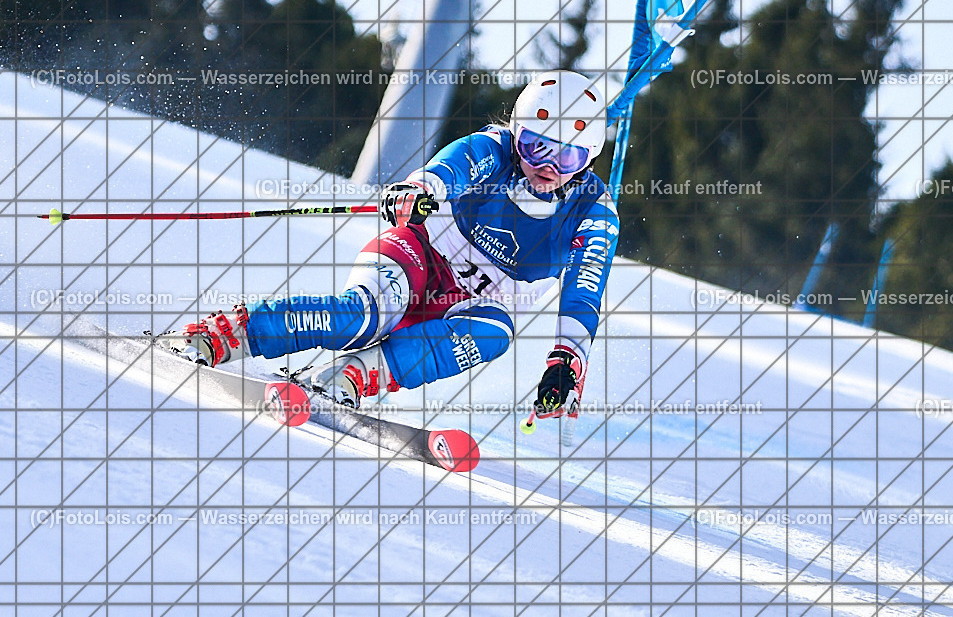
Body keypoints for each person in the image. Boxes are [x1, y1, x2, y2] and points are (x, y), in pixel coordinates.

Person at [158, 70, 619, 425]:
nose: (548, 167)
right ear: (518, 134)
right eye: (537, 146)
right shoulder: (495, 149)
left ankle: (357, 377)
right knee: (363, 316)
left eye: (568, 155)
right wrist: (419, 188)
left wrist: (567, 360)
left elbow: (583, 290)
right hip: (421, 249)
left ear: (589, 159)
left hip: (482, 302)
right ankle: (226, 334)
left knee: (495, 335)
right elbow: (453, 166)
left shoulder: (593, 211)